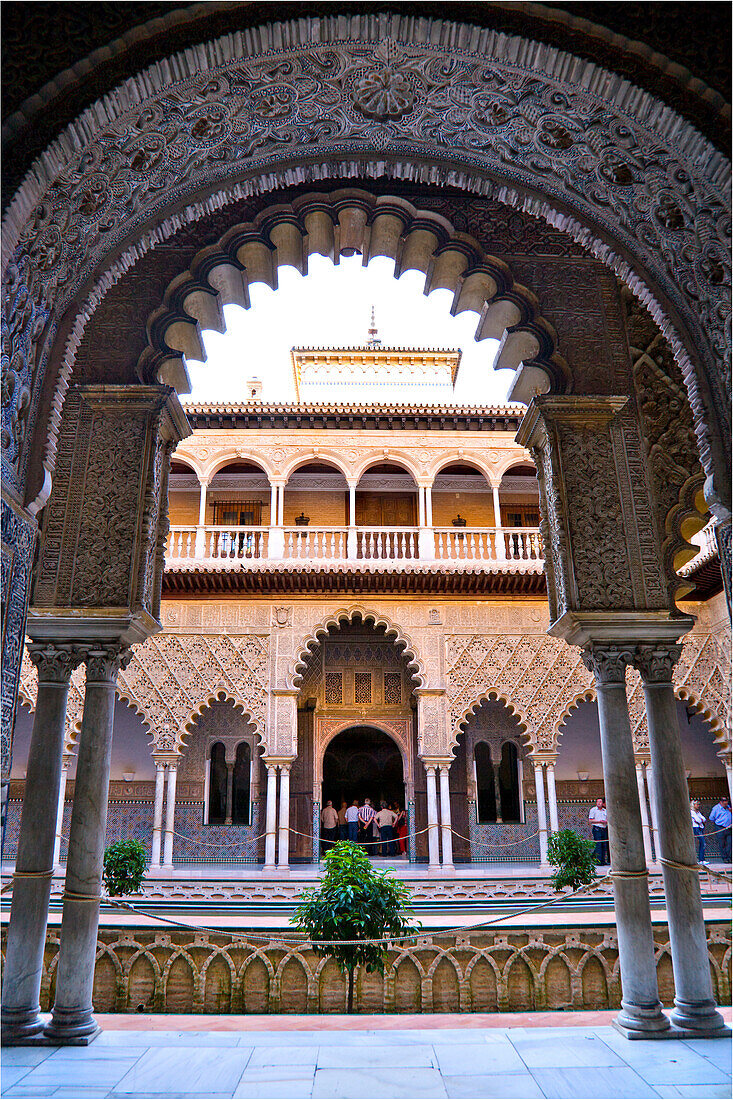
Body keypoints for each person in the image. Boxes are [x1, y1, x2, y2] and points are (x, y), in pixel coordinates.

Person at [709, 796, 732, 863]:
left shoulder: (728, 807)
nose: (725, 804)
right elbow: (711, 817)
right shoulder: (716, 808)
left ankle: (729, 857)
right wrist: (719, 821)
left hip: (729, 827)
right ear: (721, 802)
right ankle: (725, 858)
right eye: (724, 802)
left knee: (729, 842)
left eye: (726, 802)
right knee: (722, 843)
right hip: (720, 827)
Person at [588, 797, 609, 866]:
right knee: (598, 844)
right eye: (597, 802)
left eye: (600, 802)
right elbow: (590, 820)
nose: (599, 803)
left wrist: (605, 822)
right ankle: (598, 861)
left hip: (604, 828)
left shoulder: (605, 811)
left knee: (604, 844)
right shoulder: (593, 810)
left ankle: (603, 860)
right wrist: (599, 821)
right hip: (597, 829)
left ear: (602, 803)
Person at [690, 799, 707, 864]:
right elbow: (698, 820)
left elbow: (703, 819)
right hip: (695, 828)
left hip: (700, 827)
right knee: (702, 842)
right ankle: (701, 859)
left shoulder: (697, 812)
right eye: (697, 804)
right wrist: (700, 820)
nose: (698, 806)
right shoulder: (692, 812)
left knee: (703, 843)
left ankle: (702, 859)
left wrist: (701, 819)